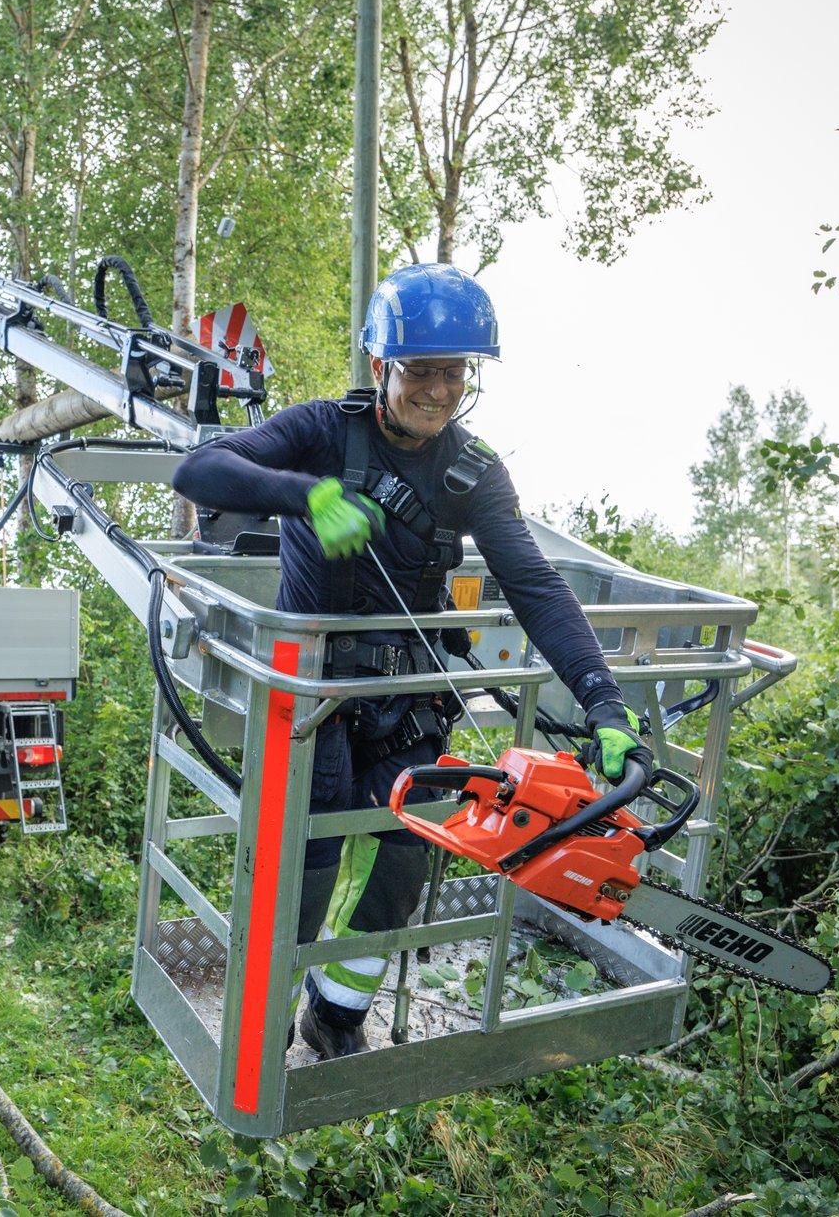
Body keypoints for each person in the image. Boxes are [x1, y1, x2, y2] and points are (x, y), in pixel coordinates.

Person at [169, 263, 648, 1059]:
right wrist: (306, 496)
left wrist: (603, 701)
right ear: (379, 365)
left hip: (410, 697)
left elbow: (533, 583)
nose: (438, 390)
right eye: (421, 370)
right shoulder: (323, 431)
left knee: (407, 860)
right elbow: (202, 470)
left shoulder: (474, 471)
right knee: (310, 864)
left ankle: (337, 1009)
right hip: (315, 691)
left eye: (456, 372)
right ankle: (261, 1027)